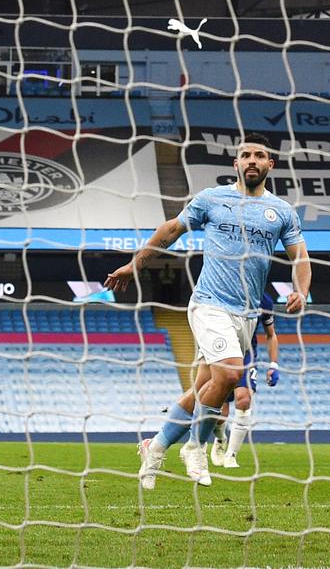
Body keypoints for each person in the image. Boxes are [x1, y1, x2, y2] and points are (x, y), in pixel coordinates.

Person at [106, 134, 310, 490]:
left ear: (269, 165)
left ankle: (154, 447)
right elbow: (171, 230)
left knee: (203, 387)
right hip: (209, 304)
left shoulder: (281, 211)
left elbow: (301, 257)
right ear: (236, 163)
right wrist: (133, 265)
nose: (251, 160)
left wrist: (302, 291)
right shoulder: (212, 200)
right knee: (230, 376)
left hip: (246, 315)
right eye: (245, 155)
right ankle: (196, 447)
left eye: (259, 155)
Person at [210, 293, 280, 469]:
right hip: (222, 353)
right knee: (219, 415)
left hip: (247, 355)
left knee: (244, 399)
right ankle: (220, 439)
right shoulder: (223, 290)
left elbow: (271, 334)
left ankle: (231, 455)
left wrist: (273, 364)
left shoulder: (264, 300)